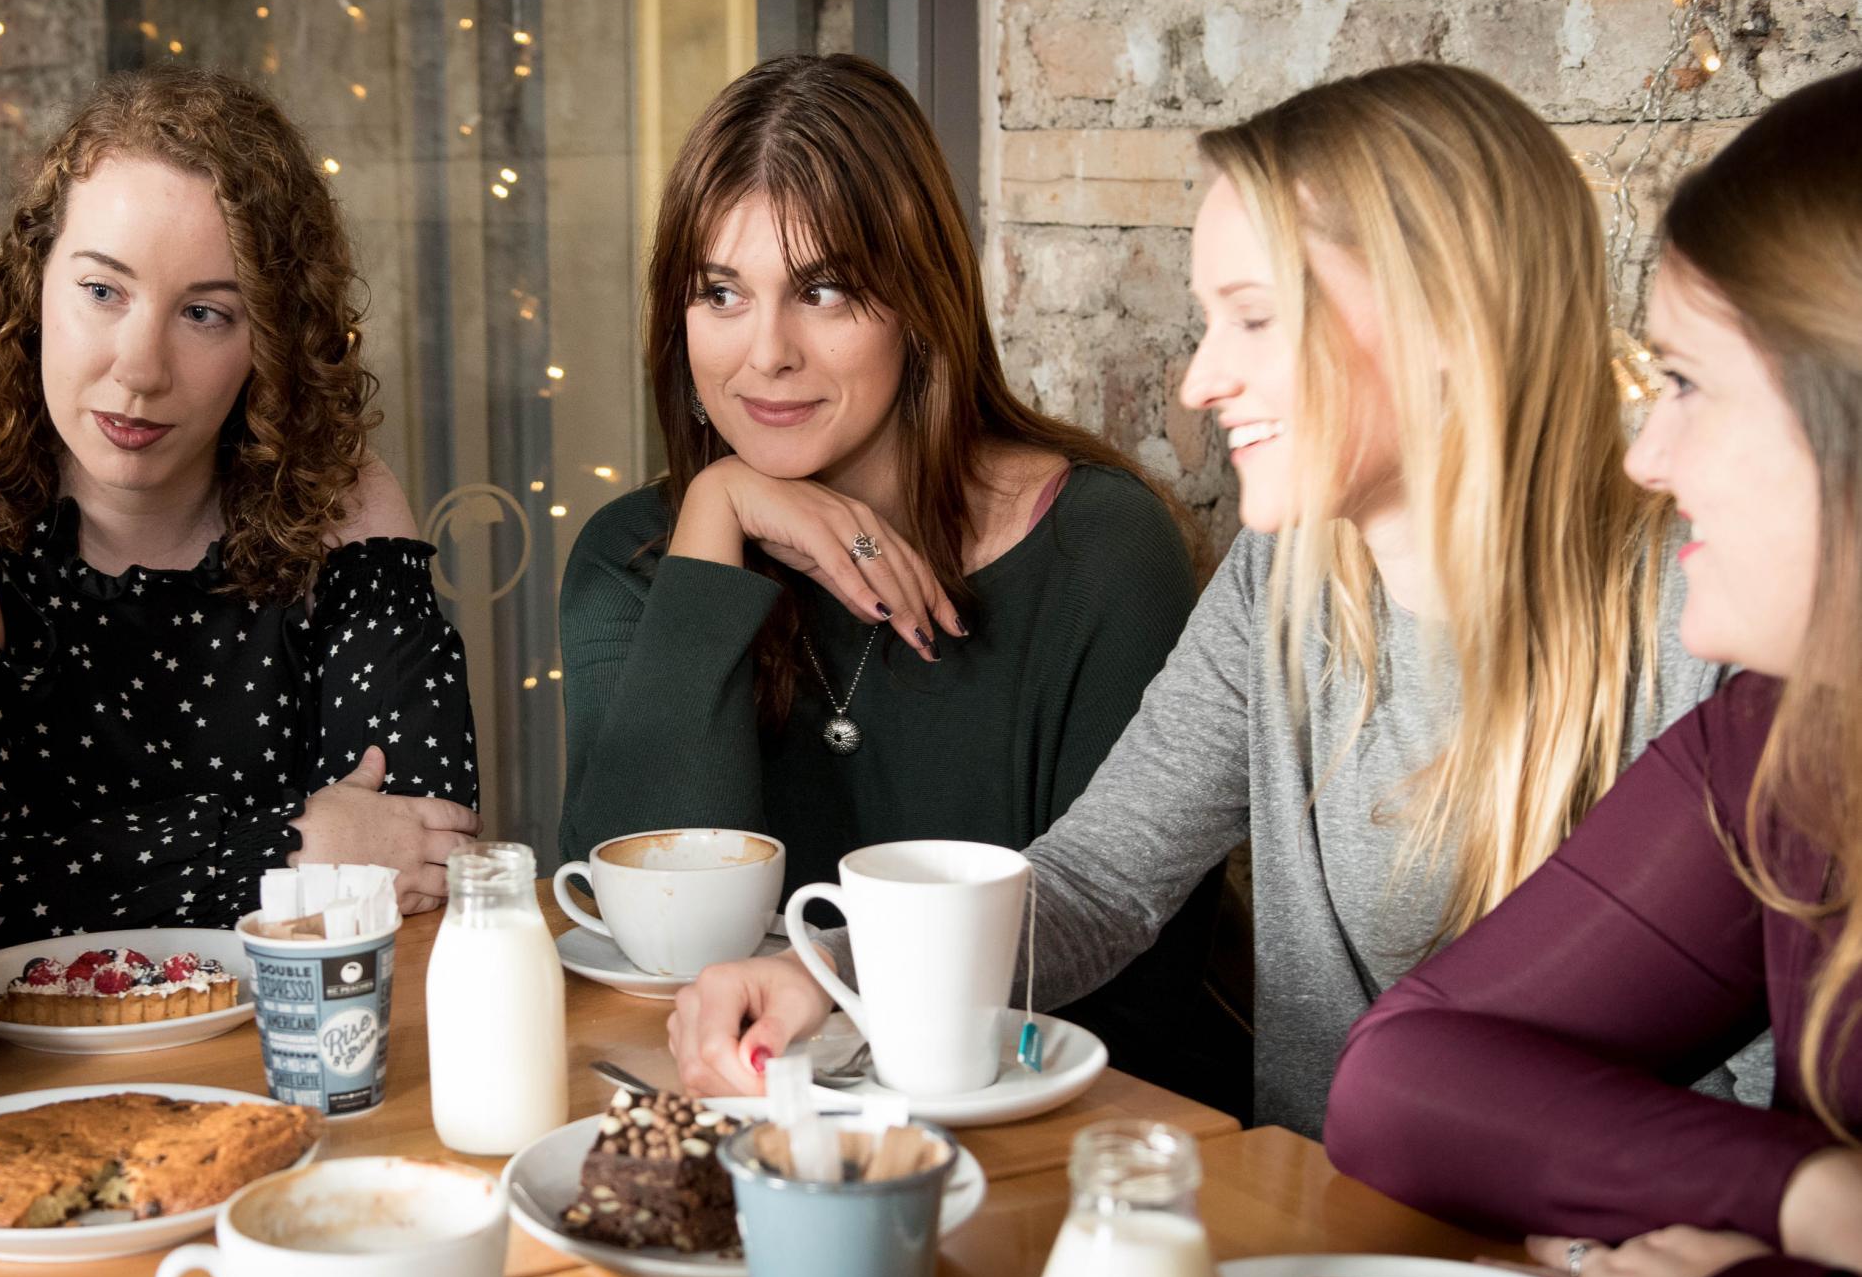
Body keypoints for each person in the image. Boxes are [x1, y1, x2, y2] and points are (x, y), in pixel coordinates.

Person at [666, 61, 1750, 1136]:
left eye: (1253, 318)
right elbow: (1099, 882)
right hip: (1320, 1238)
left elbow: (1781, 1100)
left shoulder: (1702, 624)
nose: (1197, 380)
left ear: (1446, 324)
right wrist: (832, 975)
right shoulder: (1281, 580)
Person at [558, 52, 1218, 1098]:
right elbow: (642, 946)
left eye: (821, 291)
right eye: (721, 293)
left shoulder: (1097, 550)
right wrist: (716, 511)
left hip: (1044, 1148)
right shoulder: (637, 557)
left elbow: (1121, 978)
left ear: (918, 304)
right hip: (736, 1128)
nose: (764, 352)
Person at [1323, 67, 1862, 1277]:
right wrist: (1816, 1196)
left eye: (1686, 385)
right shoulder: (1780, 747)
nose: (1645, 457)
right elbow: (1402, 1081)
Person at [0, 67, 481, 947]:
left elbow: (422, 847)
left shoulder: (340, 499)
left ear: (271, 341)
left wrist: (82, 867)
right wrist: (289, 849)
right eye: (103, 291)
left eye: (205, 313)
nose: (141, 368)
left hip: (292, 1037)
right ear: (34, 291)